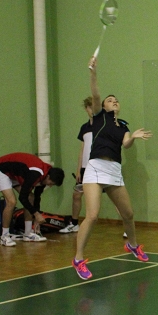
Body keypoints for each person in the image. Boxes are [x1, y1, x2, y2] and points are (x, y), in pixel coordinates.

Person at [72, 57, 153, 280]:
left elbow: (126, 144)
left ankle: (133, 245)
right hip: (95, 168)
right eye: (110, 100)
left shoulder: (123, 125)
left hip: (114, 171)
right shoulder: (100, 117)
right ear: (104, 106)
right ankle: (78, 259)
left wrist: (133, 136)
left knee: (128, 214)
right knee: (92, 215)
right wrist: (93, 72)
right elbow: (96, 93)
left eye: (116, 100)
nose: (113, 101)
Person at [0, 152, 65, 247]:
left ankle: (28, 233)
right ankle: (4, 237)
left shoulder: (45, 176)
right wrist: (36, 214)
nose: (50, 186)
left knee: (31, 197)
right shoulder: (35, 174)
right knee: (11, 202)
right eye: (51, 183)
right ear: (48, 177)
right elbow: (22, 197)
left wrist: (37, 216)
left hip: (14, 172)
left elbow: (37, 197)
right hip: (1, 169)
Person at [61, 96, 95, 234]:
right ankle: (74, 224)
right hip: (86, 168)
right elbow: (82, 149)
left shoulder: (104, 126)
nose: (92, 110)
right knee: (76, 195)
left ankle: (127, 227)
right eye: (90, 107)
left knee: (115, 196)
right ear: (86, 109)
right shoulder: (84, 128)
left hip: (100, 167)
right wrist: (78, 169)